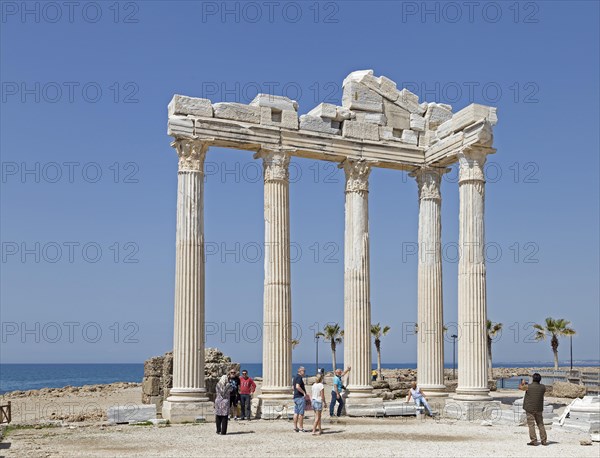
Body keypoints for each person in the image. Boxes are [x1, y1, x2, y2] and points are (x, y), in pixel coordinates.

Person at [519, 373, 547, 446]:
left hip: (529, 408)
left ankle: (534, 440)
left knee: (531, 424)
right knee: (540, 424)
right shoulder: (543, 387)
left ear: (533, 379)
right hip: (539, 408)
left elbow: (520, 388)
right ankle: (544, 440)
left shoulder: (528, 386)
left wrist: (522, 383)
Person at [214, 370, 236, 435]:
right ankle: (223, 431)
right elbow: (232, 390)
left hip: (218, 401)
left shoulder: (218, 385)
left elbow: (218, 392)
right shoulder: (228, 385)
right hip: (225, 402)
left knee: (218, 416)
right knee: (224, 417)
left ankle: (218, 430)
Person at [293, 366, 308, 432]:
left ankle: (295, 427)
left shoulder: (295, 377)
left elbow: (293, 387)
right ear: (300, 371)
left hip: (296, 397)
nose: (304, 372)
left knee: (296, 413)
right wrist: (304, 393)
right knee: (301, 413)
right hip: (300, 397)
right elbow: (297, 386)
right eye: (304, 371)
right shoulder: (299, 377)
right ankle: (301, 428)